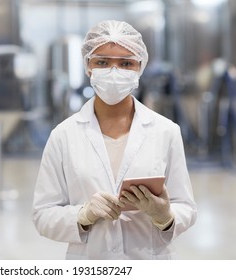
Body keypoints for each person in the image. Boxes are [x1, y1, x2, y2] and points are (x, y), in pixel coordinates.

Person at [32, 20, 197, 259]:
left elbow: (186, 207)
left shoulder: (165, 131)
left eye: (126, 63)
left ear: (140, 67)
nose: (114, 71)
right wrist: (83, 215)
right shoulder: (64, 135)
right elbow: (43, 215)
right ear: (88, 66)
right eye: (102, 62)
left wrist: (165, 216)